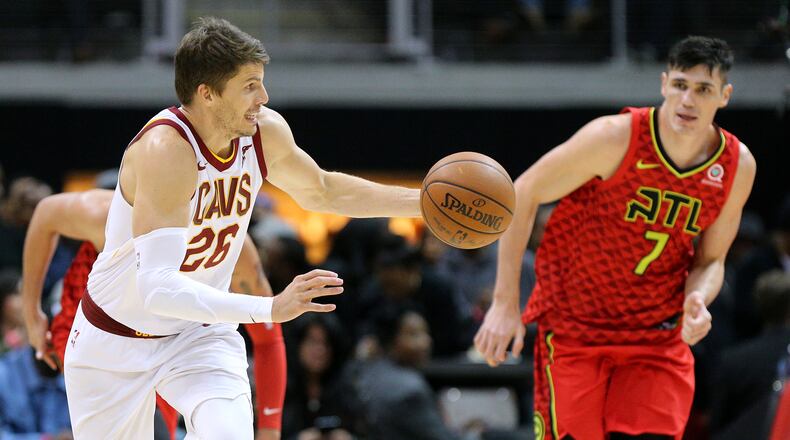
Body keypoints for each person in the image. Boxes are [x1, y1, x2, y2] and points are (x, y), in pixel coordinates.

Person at [62, 17, 420, 439]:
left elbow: (322, 190)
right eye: (250, 85)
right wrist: (270, 308)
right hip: (114, 337)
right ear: (208, 94)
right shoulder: (166, 150)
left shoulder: (263, 132)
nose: (264, 98)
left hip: (199, 335)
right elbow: (157, 288)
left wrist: (421, 204)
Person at [474, 36, 756, 440]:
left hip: (655, 335)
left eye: (703, 89)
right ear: (663, 84)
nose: (688, 101)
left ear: (724, 96)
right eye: (680, 85)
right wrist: (505, 302)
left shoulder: (735, 165)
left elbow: (711, 261)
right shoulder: (614, 138)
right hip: (577, 327)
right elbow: (522, 192)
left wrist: (699, 297)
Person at [21, 189, 287, 440]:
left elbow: (268, 339)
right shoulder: (107, 214)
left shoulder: (232, 243)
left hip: (176, 335)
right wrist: (32, 315)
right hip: (99, 328)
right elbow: (46, 213)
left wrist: (270, 428)